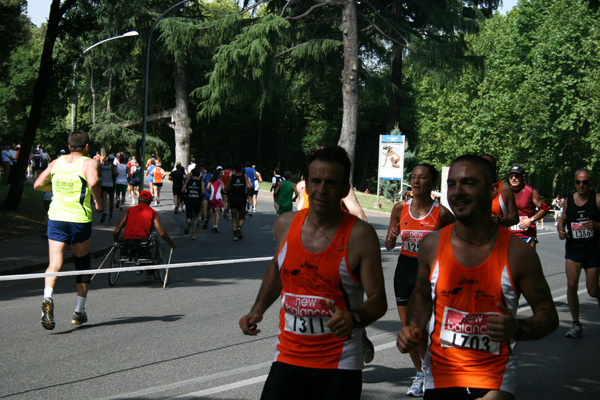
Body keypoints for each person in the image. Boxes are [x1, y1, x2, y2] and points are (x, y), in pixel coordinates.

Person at [397, 155, 558, 399]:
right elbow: (421, 295)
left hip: (493, 379)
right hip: (441, 376)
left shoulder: (518, 254)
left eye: (469, 183)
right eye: (452, 184)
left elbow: (548, 317)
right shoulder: (432, 245)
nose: (457, 192)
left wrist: (517, 327)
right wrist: (413, 327)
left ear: (493, 189)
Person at [239, 145, 387, 399]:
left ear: (344, 189)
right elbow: (277, 267)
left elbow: (378, 301)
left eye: (331, 183)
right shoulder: (285, 225)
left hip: (339, 364)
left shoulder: (361, 236)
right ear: (304, 184)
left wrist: (354, 317)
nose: (321, 190)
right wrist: (257, 309)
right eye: (315, 181)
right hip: (288, 356)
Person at [385, 164, 455, 397]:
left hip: (429, 276)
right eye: (413, 177)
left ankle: (433, 370)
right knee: (409, 329)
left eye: (422, 178)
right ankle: (422, 373)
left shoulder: (442, 214)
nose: (416, 182)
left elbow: (458, 244)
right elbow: (388, 244)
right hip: (404, 272)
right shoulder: (399, 208)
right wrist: (392, 237)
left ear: (433, 183)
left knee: (425, 329)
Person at [33, 131, 103, 330]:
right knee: (82, 263)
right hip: (79, 219)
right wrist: (98, 201)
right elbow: (94, 182)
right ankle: (79, 311)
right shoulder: (89, 163)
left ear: (70, 146)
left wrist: (56, 187)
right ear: (87, 146)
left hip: (56, 218)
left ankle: (47, 299)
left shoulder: (56, 163)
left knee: (54, 263)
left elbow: (38, 184)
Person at [557, 169, 600, 338]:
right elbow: (562, 222)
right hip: (574, 250)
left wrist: (597, 225)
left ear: (591, 183)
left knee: (592, 290)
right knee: (571, 284)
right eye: (578, 182)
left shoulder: (597, 199)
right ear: (574, 183)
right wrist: (561, 231)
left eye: (585, 182)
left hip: (594, 251)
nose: (581, 185)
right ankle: (576, 324)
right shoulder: (569, 200)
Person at [113, 190, 176, 260]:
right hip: (143, 242)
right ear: (149, 202)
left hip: (127, 241)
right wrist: (171, 243)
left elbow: (117, 229)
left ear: (138, 200)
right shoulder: (152, 213)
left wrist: (116, 241)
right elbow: (161, 233)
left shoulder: (129, 211)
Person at [508, 165, 548, 249]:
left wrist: (531, 220)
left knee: (528, 261)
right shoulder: (506, 191)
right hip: (509, 235)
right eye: (511, 176)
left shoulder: (531, 191)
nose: (513, 178)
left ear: (523, 177)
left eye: (517, 175)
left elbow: (545, 208)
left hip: (527, 235)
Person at [481, 155, 519, 228]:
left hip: (499, 237)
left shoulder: (504, 188)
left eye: (489, 167)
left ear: (495, 169)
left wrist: (500, 220)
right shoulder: (472, 188)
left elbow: (515, 218)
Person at [226, 164, 252, 240]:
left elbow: (226, 188)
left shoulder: (231, 178)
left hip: (233, 198)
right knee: (242, 216)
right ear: (241, 169)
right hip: (242, 198)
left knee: (234, 217)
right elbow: (249, 186)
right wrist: (247, 193)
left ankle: (234, 235)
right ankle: (239, 227)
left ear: (234, 170)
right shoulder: (244, 177)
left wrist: (230, 190)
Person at [182, 168, 203, 240]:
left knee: (188, 215)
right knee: (196, 217)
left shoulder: (188, 181)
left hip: (189, 200)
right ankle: (193, 234)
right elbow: (203, 192)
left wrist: (186, 192)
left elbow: (182, 190)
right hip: (197, 200)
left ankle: (189, 222)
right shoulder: (201, 182)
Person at [99, 155, 117, 222]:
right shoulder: (113, 166)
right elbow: (115, 173)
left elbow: (99, 173)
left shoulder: (102, 166)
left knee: (104, 200)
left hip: (103, 184)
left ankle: (103, 212)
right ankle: (111, 215)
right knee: (111, 200)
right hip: (111, 185)